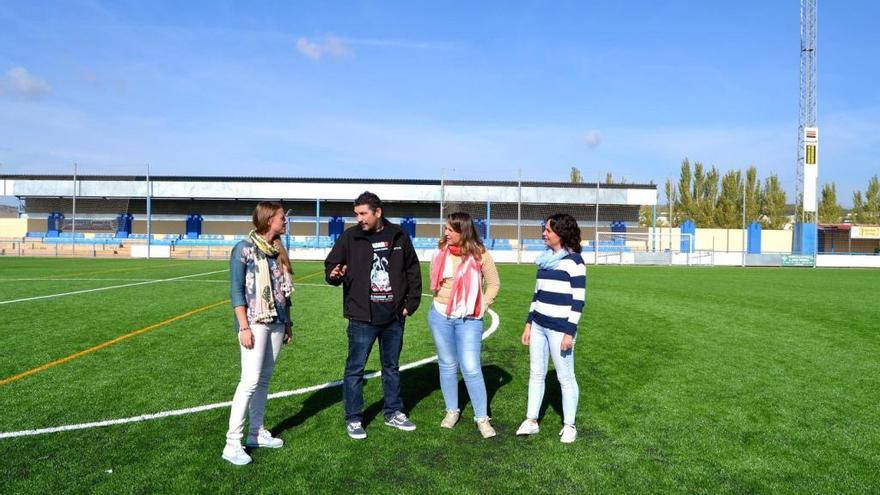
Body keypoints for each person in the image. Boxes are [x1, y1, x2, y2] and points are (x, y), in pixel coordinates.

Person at [324, 191, 422, 439]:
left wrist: (410, 304)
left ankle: (393, 412)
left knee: (391, 367)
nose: (359, 219)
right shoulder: (350, 237)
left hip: (393, 317)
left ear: (378, 212)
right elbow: (331, 265)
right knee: (355, 369)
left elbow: (413, 269)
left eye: (363, 213)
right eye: (356, 214)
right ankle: (354, 418)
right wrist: (333, 274)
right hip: (361, 317)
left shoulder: (398, 235)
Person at [223, 202, 294, 465]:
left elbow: (283, 292)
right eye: (281, 218)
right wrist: (243, 326)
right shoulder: (244, 249)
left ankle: (256, 432)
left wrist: (288, 323)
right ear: (267, 220)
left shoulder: (278, 250)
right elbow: (236, 290)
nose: (285, 222)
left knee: (264, 380)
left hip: (276, 321)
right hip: (254, 321)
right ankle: (232, 442)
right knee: (250, 381)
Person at [428, 212, 500, 438]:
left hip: (469, 318)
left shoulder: (481, 254)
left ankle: (482, 418)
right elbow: (436, 282)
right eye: (446, 229)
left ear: (463, 231)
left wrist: (483, 304)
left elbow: (494, 284)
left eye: (451, 229)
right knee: (447, 365)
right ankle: (452, 411)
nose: (446, 233)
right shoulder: (440, 252)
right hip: (440, 315)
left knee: (470, 367)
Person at [516, 213, 585, 444]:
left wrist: (569, 332)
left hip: (559, 329)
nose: (543, 233)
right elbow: (537, 295)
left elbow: (578, 301)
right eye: (544, 229)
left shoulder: (575, 262)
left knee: (566, 377)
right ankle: (532, 420)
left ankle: (569, 425)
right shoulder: (544, 260)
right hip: (538, 325)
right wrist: (529, 323)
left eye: (548, 230)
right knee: (536, 373)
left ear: (561, 233)